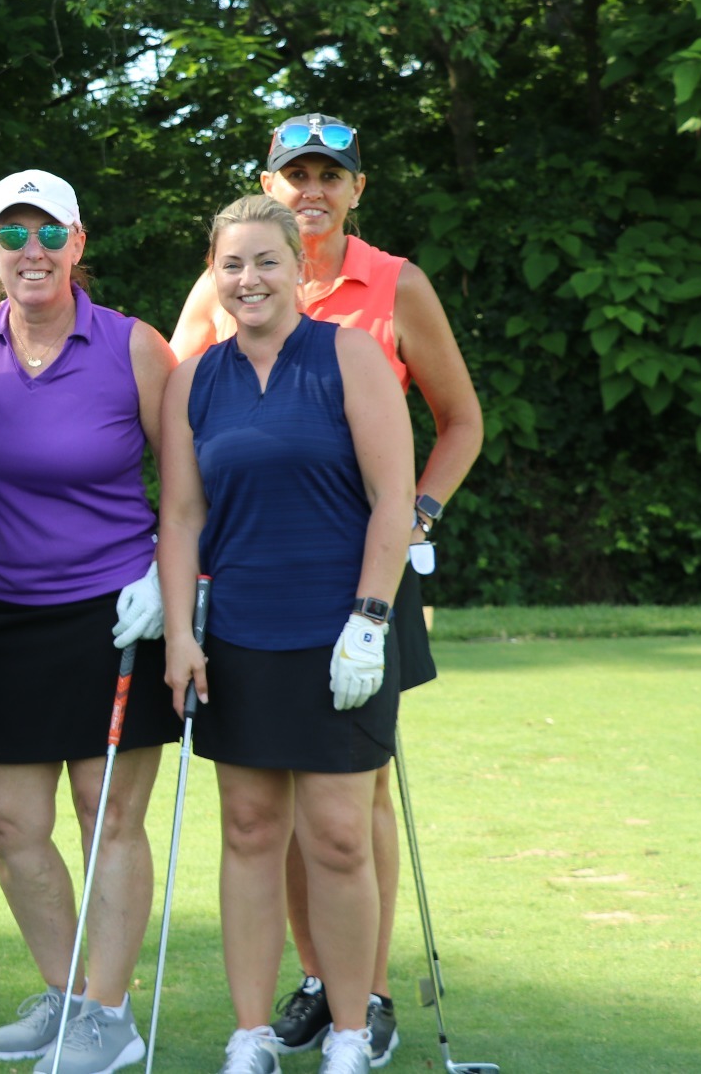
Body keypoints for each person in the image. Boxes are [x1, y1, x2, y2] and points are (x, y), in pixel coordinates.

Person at [169, 115, 483, 1065]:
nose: (311, 189)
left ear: (355, 187)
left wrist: (399, 560)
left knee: (350, 815)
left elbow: (450, 431)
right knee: (263, 822)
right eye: (294, 174)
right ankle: (293, 1000)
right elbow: (180, 451)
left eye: (328, 175)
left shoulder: (392, 291)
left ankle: (364, 1003)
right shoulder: (219, 309)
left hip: (359, 586)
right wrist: (174, 610)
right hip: (248, 602)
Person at [157, 194, 415, 1074]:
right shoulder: (195, 378)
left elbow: (394, 497)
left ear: (297, 269)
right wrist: (179, 635)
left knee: (340, 833)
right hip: (239, 634)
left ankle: (350, 1029)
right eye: (232, 264)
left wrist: (371, 621)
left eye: (266, 261)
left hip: (342, 630)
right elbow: (183, 517)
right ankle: (251, 1032)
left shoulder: (349, 355)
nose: (249, 278)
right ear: (214, 274)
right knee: (251, 829)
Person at [0, 170, 181, 1074]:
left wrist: (175, 580)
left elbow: (188, 479)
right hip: (1, 609)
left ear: (79, 243)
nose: (32, 251)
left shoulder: (134, 346)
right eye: (11, 236)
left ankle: (110, 1014)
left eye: (49, 232)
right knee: (11, 821)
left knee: (107, 816)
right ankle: (67, 999)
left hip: (115, 611)